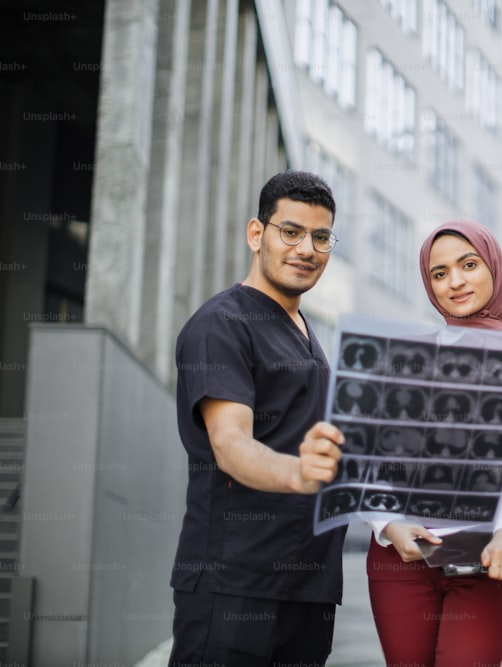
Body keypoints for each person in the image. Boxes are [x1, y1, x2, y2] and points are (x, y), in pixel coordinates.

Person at [168, 171, 346, 667]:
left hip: (309, 586)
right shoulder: (221, 324)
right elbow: (231, 445)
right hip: (236, 584)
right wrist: (299, 473)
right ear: (256, 233)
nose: (306, 248)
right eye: (290, 231)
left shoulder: (307, 333)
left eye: (321, 236)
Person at [366, 220, 502, 666]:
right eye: (439, 273)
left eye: (468, 264)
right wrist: (388, 524)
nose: (455, 282)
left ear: (493, 265)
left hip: (489, 557)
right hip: (401, 557)